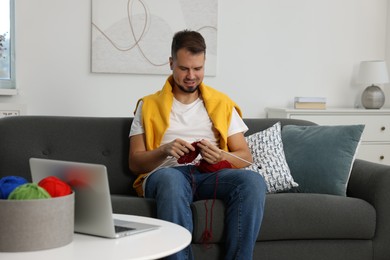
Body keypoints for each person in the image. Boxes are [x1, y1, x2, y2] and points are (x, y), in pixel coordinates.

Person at [128, 29, 266, 260]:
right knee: (171, 179)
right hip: (166, 174)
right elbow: (134, 163)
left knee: (253, 181)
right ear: (171, 64)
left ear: (204, 65)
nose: (191, 75)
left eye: (198, 68)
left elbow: (245, 157)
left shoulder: (222, 104)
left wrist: (221, 155)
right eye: (184, 68)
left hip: (209, 174)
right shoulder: (148, 105)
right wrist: (163, 150)